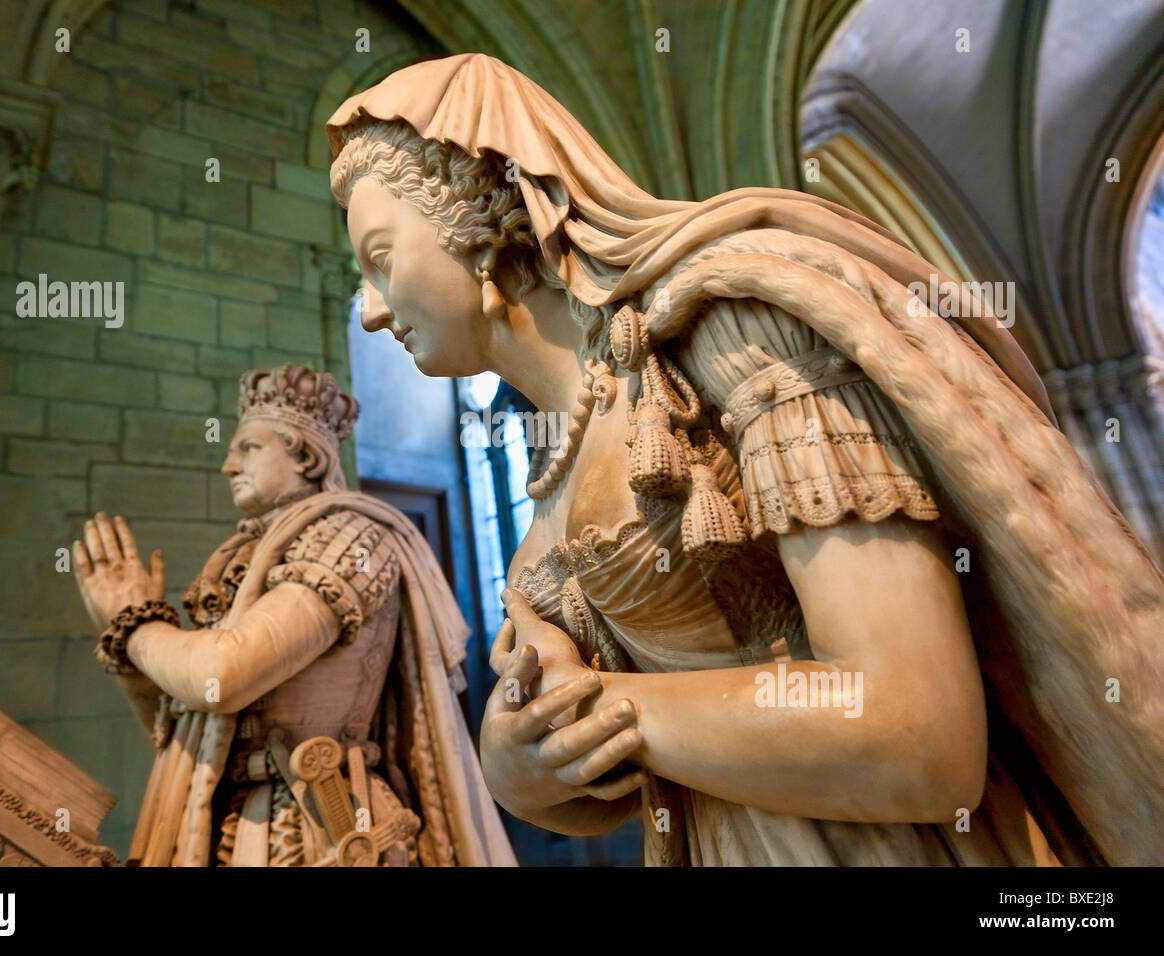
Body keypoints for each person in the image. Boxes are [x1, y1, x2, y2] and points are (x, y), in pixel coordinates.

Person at [325, 53, 1164, 865]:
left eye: (379, 260)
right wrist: (518, 766)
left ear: (471, 224)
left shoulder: (730, 341)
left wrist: (616, 709)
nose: (368, 311)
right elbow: (569, 780)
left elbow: (920, 733)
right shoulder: (547, 500)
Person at [71, 363, 515, 866]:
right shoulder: (254, 557)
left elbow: (223, 673)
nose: (228, 465)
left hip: (324, 821)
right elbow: (182, 722)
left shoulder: (350, 536)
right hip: (240, 822)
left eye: (248, 448)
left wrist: (137, 625)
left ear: (304, 455)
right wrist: (130, 643)